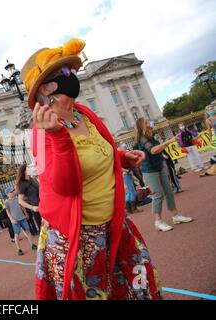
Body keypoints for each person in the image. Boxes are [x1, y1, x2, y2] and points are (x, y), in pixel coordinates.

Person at [21, 38, 162, 300]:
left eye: (72, 72)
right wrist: (56, 135)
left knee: (139, 285)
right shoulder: (41, 133)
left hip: (114, 222)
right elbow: (65, 186)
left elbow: (97, 150)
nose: (72, 77)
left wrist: (120, 157)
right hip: (78, 234)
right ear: (46, 88)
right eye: (65, 74)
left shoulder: (83, 113)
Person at [134, 118, 193, 231]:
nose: (151, 123)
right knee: (158, 194)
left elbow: (159, 149)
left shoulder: (151, 137)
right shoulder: (143, 139)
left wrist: (170, 142)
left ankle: (175, 216)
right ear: (143, 126)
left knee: (169, 191)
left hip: (158, 166)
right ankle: (158, 221)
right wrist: (169, 141)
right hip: (150, 170)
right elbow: (152, 150)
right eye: (147, 122)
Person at [4, 188, 37, 256]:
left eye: (12, 191)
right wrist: (12, 220)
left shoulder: (17, 199)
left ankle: (32, 245)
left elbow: (22, 207)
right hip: (15, 221)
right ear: (7, 194)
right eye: (11, 192)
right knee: (17, 235)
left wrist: (26, 214)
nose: (12, 192)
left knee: (28, 231)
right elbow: (8, 212)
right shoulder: (7, 202)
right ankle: (19, 249)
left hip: (23, 218)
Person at [16, 164, 41, 235]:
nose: (31, 168)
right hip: (37, 208)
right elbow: (20, 200)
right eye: (29, 168)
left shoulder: (32, 179)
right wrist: (32, 207)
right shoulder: (22, 184)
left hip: (44, 205)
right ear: (24, 171)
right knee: (44, 230)